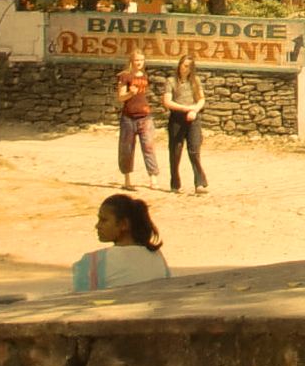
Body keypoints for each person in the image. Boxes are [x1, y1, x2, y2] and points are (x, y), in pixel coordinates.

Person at [72, 194, 171, 291]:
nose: (97, 226)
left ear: (124, 224)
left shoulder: (93, 262)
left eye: (103, 220)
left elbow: (82, 299)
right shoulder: (157, 256)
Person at [162, 54, 208, 195]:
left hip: (193, 117)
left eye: (189, 66)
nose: (186, 68)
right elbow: (167, 102)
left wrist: (194, 109)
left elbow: (201, 99)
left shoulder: (195, 81)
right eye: (184, 65)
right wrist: (185, 109)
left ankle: (200, 183)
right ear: (180, 65)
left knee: (194, 151)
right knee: (175, 151)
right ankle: (175, 184)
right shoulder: (171, 81)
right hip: (177, 117)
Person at [116, 49, 161, 190]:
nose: (139, 62)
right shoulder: (125, 76)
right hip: (129, 117)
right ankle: (127, 180)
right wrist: (130, 92)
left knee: (148, 146)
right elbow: (120, 97)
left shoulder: (145, 76)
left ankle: (153, 178)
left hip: (144, 116)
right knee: (127, 148)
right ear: (131, 61)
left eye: (141, 60)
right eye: (136, 60)